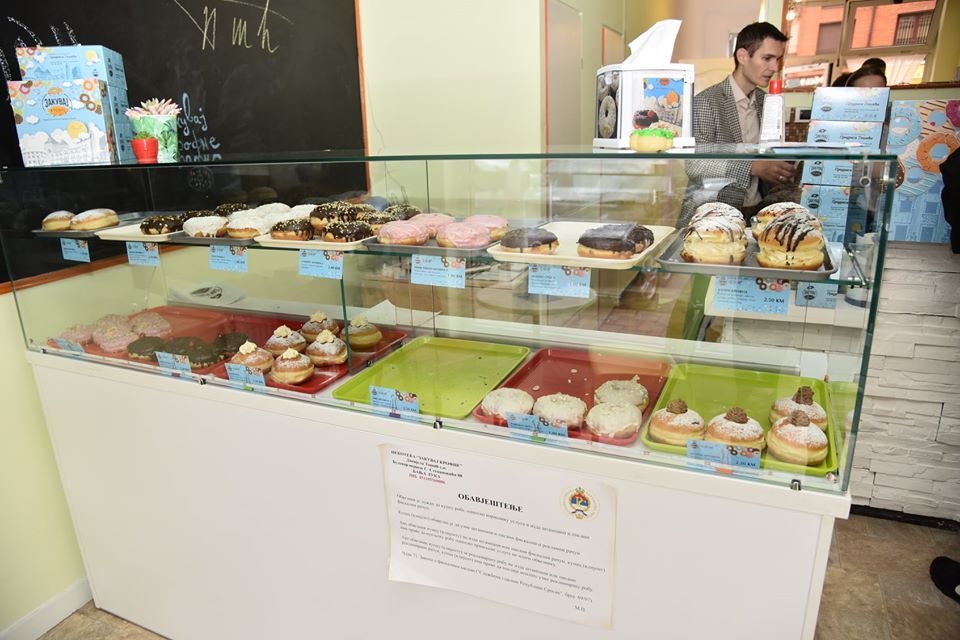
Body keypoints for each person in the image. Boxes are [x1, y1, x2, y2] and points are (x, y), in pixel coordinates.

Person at [683, 22, 793, 223]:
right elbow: (695, 164)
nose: (774, 68)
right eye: (767, 58)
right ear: (742, 56)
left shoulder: (767, 102)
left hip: (757, 213)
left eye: (778, 59)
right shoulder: (706, 102)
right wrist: (752, 167)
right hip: (712, 215)